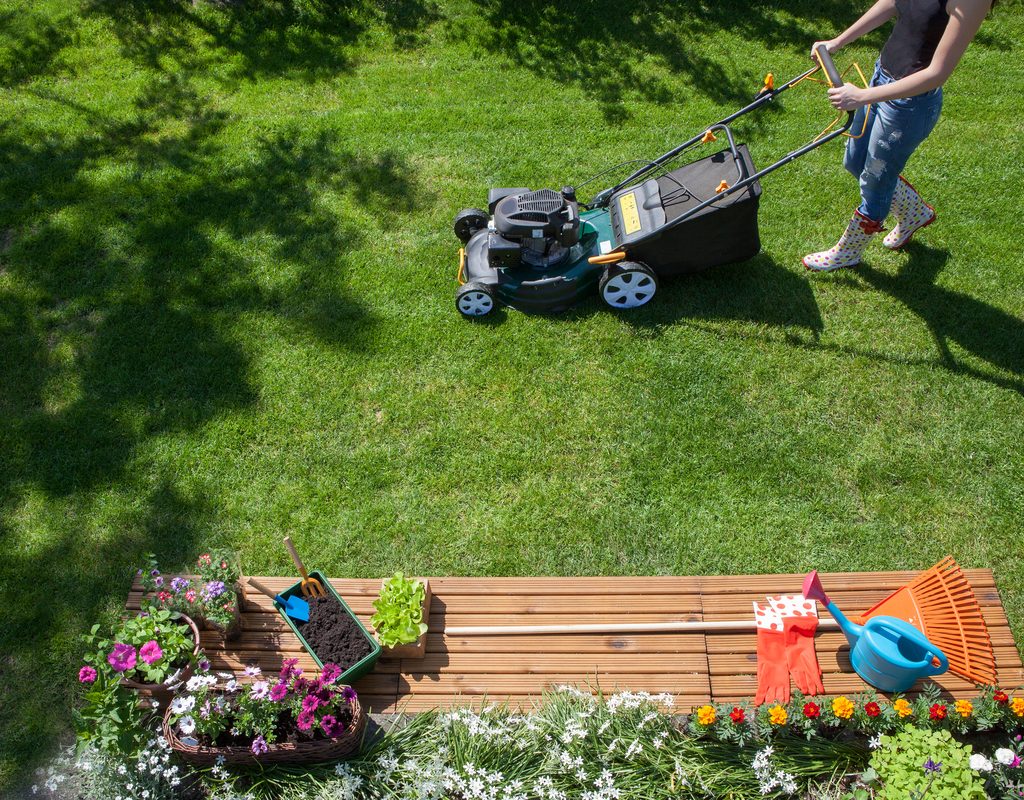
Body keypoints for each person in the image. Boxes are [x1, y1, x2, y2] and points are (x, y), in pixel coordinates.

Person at [803, 0, 994, 272]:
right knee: (855, 162)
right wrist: (837, 41)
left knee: (876, 181)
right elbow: (892, 2)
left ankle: (848, 253)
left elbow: (936, 74)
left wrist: (861, 96)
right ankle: (914, 213)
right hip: (881, 77)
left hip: (909, 105)